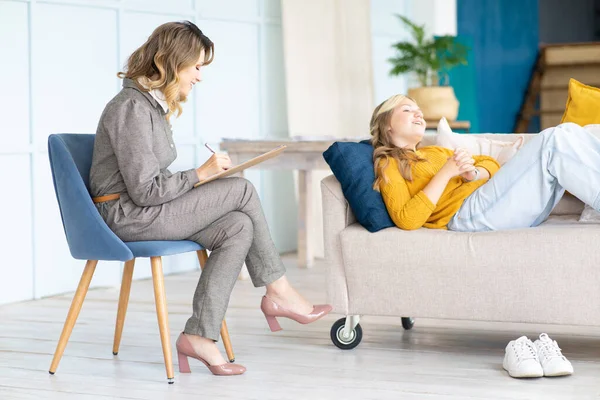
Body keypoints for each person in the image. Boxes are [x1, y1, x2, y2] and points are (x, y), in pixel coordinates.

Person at [89, 21, 331, 376]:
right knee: (242, 189)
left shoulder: (150, 106)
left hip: (141, 209)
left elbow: (151, 183)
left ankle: (199, 335)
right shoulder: (131, 108)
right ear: (168, 62)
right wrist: (199, 175)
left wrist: (199, 181)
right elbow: (144, 192)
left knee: (237, 225)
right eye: (197, 66)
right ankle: (278, 291)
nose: (199, 77)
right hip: (125, 216)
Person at [370, 94, 600, 232]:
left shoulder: (433, 150)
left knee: (566, 131)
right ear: (386, 124)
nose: (418, 114)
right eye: (407, 109)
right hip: (466, 213)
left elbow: (488, 162)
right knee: (553, 140)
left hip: (494, 203)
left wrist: (474, 173)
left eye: (419, 110)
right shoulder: (388, 163)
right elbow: (407, 219)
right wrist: (447, 172)